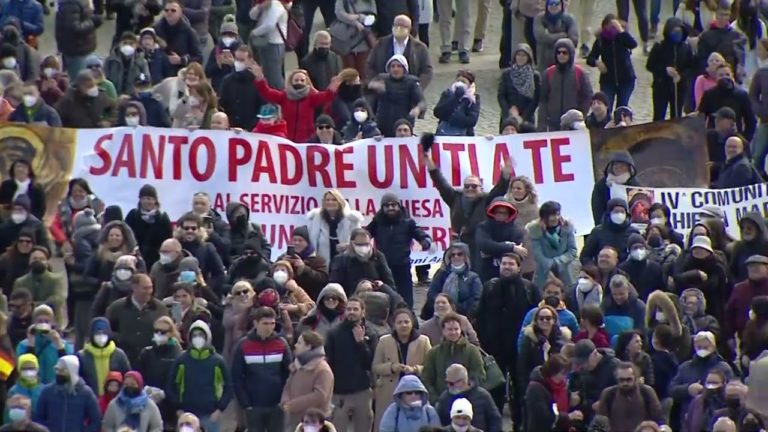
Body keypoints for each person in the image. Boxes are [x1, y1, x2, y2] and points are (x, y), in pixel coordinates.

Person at [423, 148, 512, 268]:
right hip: (458, 246)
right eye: (467, 186)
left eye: (474, 186)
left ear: (481, 188)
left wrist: (505, 175)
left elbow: (499, 189)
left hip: (478, 246)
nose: (470, 188)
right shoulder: (454, 198)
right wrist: (432, 167)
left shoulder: (486, 200)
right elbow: (440, 183)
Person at [167, 320, 232, 432]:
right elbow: (170, 385)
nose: (198, 338)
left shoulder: (218, 361)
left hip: (210, 416)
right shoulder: (182, 360)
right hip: (187, 415)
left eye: (201, 335)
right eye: (195, 335)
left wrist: (219, 409)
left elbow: (229, 386)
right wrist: (178, 409)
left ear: (208, 337)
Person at [370, 308, 430, 428]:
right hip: (388, 390)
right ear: (394, 324)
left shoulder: (423, 341)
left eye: (406, 322)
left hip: (414, 391)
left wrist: (415, 369)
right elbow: (375, 367)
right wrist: (391, 367)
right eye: (399, 322)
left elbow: (430, 367)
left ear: (412, 323)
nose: (403, 325)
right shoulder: (384, 341)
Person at [324, 296, 377, 432]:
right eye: (349, 309)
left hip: (362, 391)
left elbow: (371, 363)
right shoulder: (333, 333)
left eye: (355, 309)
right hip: (339, 393)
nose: (351, 312)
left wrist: (361, 343)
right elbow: (327, 363)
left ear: (363, 312)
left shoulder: (370, 333)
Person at [670, 331, 734, 429]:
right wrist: (687, 389)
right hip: (690, 418)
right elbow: (671, 390)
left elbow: (731, 392)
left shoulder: (724, 368)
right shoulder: (685, 367)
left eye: (705, 347)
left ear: (713, 346)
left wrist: (714, 389)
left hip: (718, 416)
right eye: (699, 347)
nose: (702, 350)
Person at [421, 313, 484, 404]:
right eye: (450, 329)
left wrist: (466, 392)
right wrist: (435, 399)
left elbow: (479, 375)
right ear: (443, 331)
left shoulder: (472, 351)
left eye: (456, 329)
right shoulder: (434, 353)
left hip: (467, 401)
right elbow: (426, 378)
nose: (453, 332)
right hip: (441, 402)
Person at [106, 274, 169, 366]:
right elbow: (108, 331)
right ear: (134, 287)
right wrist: (122, 338)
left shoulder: (160, 309)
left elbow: (168, 332)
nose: (149, 292)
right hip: (124, 360)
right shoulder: (116, 308)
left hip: (151, 362)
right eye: (145, 288)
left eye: (150, 288)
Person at [280, 330, 333, 428]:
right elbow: (288, 385)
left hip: (315, 422)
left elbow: (320, 395)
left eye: (299, 343)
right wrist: (285, 401)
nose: (295, 345)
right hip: (296, 420)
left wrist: (293, 405)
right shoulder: (297, 365)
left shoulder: (322, 369)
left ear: (308, 347)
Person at [34, 355, 101, 432]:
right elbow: (38, 418)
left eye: (62, 371)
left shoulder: (86, 393)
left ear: (71, 371)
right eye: (57, 370)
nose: (58, 373)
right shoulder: (47, 391)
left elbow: (96, 419)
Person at [538, 38, 593, 131]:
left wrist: (581, 115)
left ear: (570, 54)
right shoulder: (548, 73)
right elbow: (543, 100)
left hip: (574, 124)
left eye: (564, 53)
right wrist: (542, 123)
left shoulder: (580, 73)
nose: (561, 55)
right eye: (558, 52)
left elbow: (587, 97)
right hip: (553, 124)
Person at [646, 17, 694, 120]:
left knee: (676, 116)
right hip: (661, 86)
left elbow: (690, 67)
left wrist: (681, 75)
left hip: (679, 88)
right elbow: (650, 65)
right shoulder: (659, 47)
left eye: (679, 31)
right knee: (659, 116)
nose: (677, 33)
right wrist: (664, 70)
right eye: (674, 31)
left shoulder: (686, 48)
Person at [586, 14, 637, 111]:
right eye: (608, 26)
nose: (611, 29)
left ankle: (620, 125)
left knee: (622, 108)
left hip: (626, 79)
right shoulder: (601, 40)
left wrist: (621, 30)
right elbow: (590, 58)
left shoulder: (622, 37)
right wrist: (597, 62)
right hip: (608, 80)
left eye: (613, 26)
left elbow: (633, 44)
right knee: (606, 107)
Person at [367, 15, 432, 88]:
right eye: (396, 25)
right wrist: (373, 82)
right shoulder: (380, 44)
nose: (399, 28)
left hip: (409, 91)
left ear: (410, 29)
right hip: (384, 90)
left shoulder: (420, 48)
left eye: (403, 26)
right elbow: (370, 65)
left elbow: (427, 70)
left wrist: (419, 87)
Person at [368, 54, 426, 137]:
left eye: (399, 66)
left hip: (403, 124)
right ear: (389, 68)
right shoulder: (381, 78)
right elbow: (366, 92)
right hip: (383, 123)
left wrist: (418, 108)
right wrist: (372, 85)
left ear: (404, 69)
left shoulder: (412, 82)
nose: (396, 69)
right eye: (393, 66)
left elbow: (422, 101)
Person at [16, 304, 73, 384]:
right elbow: (24, 366)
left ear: (52, 322)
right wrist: (31, 343)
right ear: (34, 323)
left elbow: (70, 367)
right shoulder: (23, 345)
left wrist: (59, 346)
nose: (43, 324)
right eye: (39, 321)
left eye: (46, 321)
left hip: (55, 387)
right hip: (34, 386)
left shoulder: (65, 345)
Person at [597, 361, 662, 431]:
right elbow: (601, 420)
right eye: (621, 380)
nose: (625, 383)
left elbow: (657, 417)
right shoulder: (609, 394)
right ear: (616, 379)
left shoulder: (646, 392)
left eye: (628, 379)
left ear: (635, 378)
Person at [423, 243, 482, 318]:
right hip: (440, 315)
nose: (455, 257)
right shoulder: (441, 274)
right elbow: (431, 294)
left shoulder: (473, 277)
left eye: (459, 254)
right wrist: (442, 305)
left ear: (466, 257)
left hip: (465, 316)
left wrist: (454, 308)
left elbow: (476, 300)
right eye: (452, 255)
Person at [528, 200, 579, 288]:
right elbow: (537, 254)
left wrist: (557, 262)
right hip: (543, 273)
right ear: (544, 217)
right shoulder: (535, 230)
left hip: (566, 271)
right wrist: (549, 264)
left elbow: (572, 251)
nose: (555, 218)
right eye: (552, 215)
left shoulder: (567, 227)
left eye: (557, 214)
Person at [699, 64, 756, 141]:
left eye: (727, 74)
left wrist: (745, 140)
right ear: (716, 78)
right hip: (714, 140)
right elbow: (700, 117)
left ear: (732, 76)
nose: (724, 77)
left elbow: (751, 120)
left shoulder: (742, 95)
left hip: (735, 138)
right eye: (721, 75)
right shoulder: (709, 95)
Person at [525, 353, 581, 432]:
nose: (564, 377)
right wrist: (568, 417)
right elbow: (544, 417)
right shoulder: (535, 389)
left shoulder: (560, 386)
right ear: (552, 372)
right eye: (562, 374)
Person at [568, 339, 620, 423]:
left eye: (585, 362)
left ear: (595, 354)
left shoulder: (614, 367)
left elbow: (623, 392)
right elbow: (580, 392)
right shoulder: (581, 372)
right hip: (586, 416)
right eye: (580, 363)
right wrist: (578, 398)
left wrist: (606, 403)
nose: (583, 365)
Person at [77, 317, 130, 397]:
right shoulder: (82, 356)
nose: (101, 337)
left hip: (115, 401)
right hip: (90, 400)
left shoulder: (119, 355)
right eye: (97, 334)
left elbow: (127, 376)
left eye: (104, 334)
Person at [13, 246, 67, 323]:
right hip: (26, 322)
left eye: (41, 259)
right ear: (29, 261)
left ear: (47, 262)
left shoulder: (57, 279)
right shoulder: (20, 282)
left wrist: (30, 305)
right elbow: (17, 304)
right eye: (35, 258)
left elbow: (57, 301)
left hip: (52, 322)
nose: (38, 261)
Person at [582, 198, 640, 265]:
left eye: (622, 212)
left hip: (627, 271)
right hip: (602, 270)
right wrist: (594, 269)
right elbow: (585, 256)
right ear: (609, 213)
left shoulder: (633, 232)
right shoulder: (598, 231)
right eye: (616, 211)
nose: (619, 214)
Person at [153, 0, 202, 76]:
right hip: (159, 73)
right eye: (166, 10)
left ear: (180, 13)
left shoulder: (189, 32)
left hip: (180, 74)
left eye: (173, 10)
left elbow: (199, 58)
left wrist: (181, 60)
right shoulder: (156, 29)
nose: (169, 13)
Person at [54, 0, 101, 78]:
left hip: (81, 48)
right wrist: (92, 22)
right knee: (78, 82)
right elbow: (73, 28)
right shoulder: (71, 3)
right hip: (77, 50)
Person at [247, 0, 288, 89]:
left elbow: (269, 25)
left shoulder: (276, 5)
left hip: (274, 44)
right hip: (265, 44)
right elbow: (252, 15)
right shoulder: (264, 5)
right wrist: (260, 7)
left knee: (274, 77)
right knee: (267, 75)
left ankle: (280, 99)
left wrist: (254, 33)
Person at [498, 43, 539, 128]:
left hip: (527, 117)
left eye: (524, 55)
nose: (520, 58)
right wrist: (509, 112)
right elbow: (501, 95)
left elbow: (535, 99)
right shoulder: (507, 73)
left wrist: (523, 117)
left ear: (528, 58)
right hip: (508, 116)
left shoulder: (534, 75)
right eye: (518, 55)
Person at [532, 0, 579, 74]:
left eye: (556, 4)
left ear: (561, 5)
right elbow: (540, 37)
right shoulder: (539, 18)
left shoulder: (569, 19)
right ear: (547, 5)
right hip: (544, 61)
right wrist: (562, 35)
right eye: (551, 4)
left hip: (564, 60)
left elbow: (574, 40)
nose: (553, 6)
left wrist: (549, 36)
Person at [620, 234, 665, 300]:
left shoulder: (655, 267)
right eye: (635, 248)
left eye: (641, 247)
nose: (638, 251)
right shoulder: (623, 269)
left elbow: (662, 288)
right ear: (629, 250)